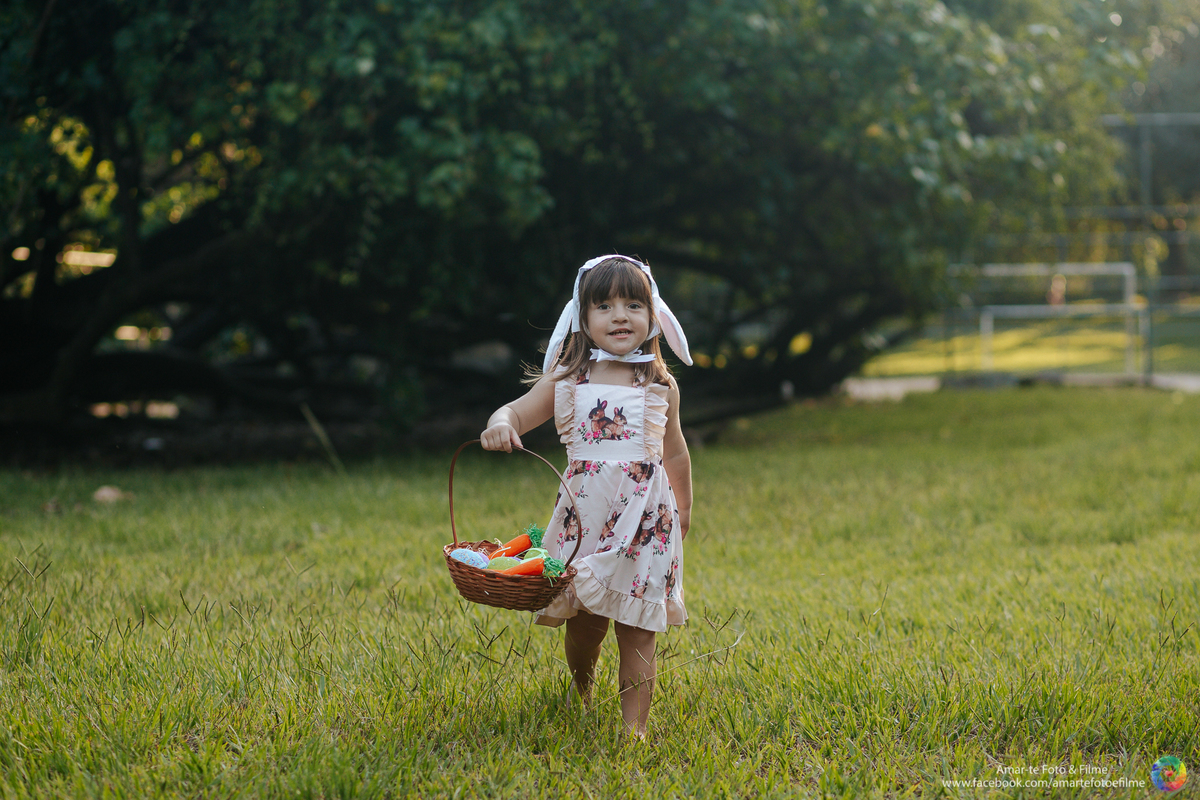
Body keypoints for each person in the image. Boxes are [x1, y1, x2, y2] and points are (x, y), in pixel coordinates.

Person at [480, 255, 693, 739]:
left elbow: (675, 451)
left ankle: (633, 731)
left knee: (639, 630)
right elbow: (513, 412)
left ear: (652, 314)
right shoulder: (569, 381)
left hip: (646, 524)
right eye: (605, 305)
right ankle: (582, 692)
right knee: (586, 624)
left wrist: (683, 506)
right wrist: (499, 425)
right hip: (587, 521)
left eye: (633, 304)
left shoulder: (660, 383)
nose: (620, 315)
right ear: (583, 317)